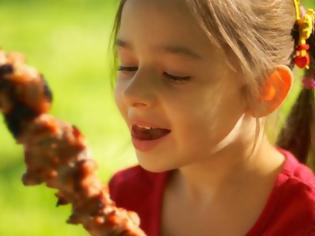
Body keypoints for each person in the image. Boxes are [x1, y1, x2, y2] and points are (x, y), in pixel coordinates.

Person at [107, 0, 315, 235]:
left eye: (175, 74)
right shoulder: (124, 197)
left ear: (264, 90)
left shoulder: (305, 220)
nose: (132, 93)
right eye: (128, 66)